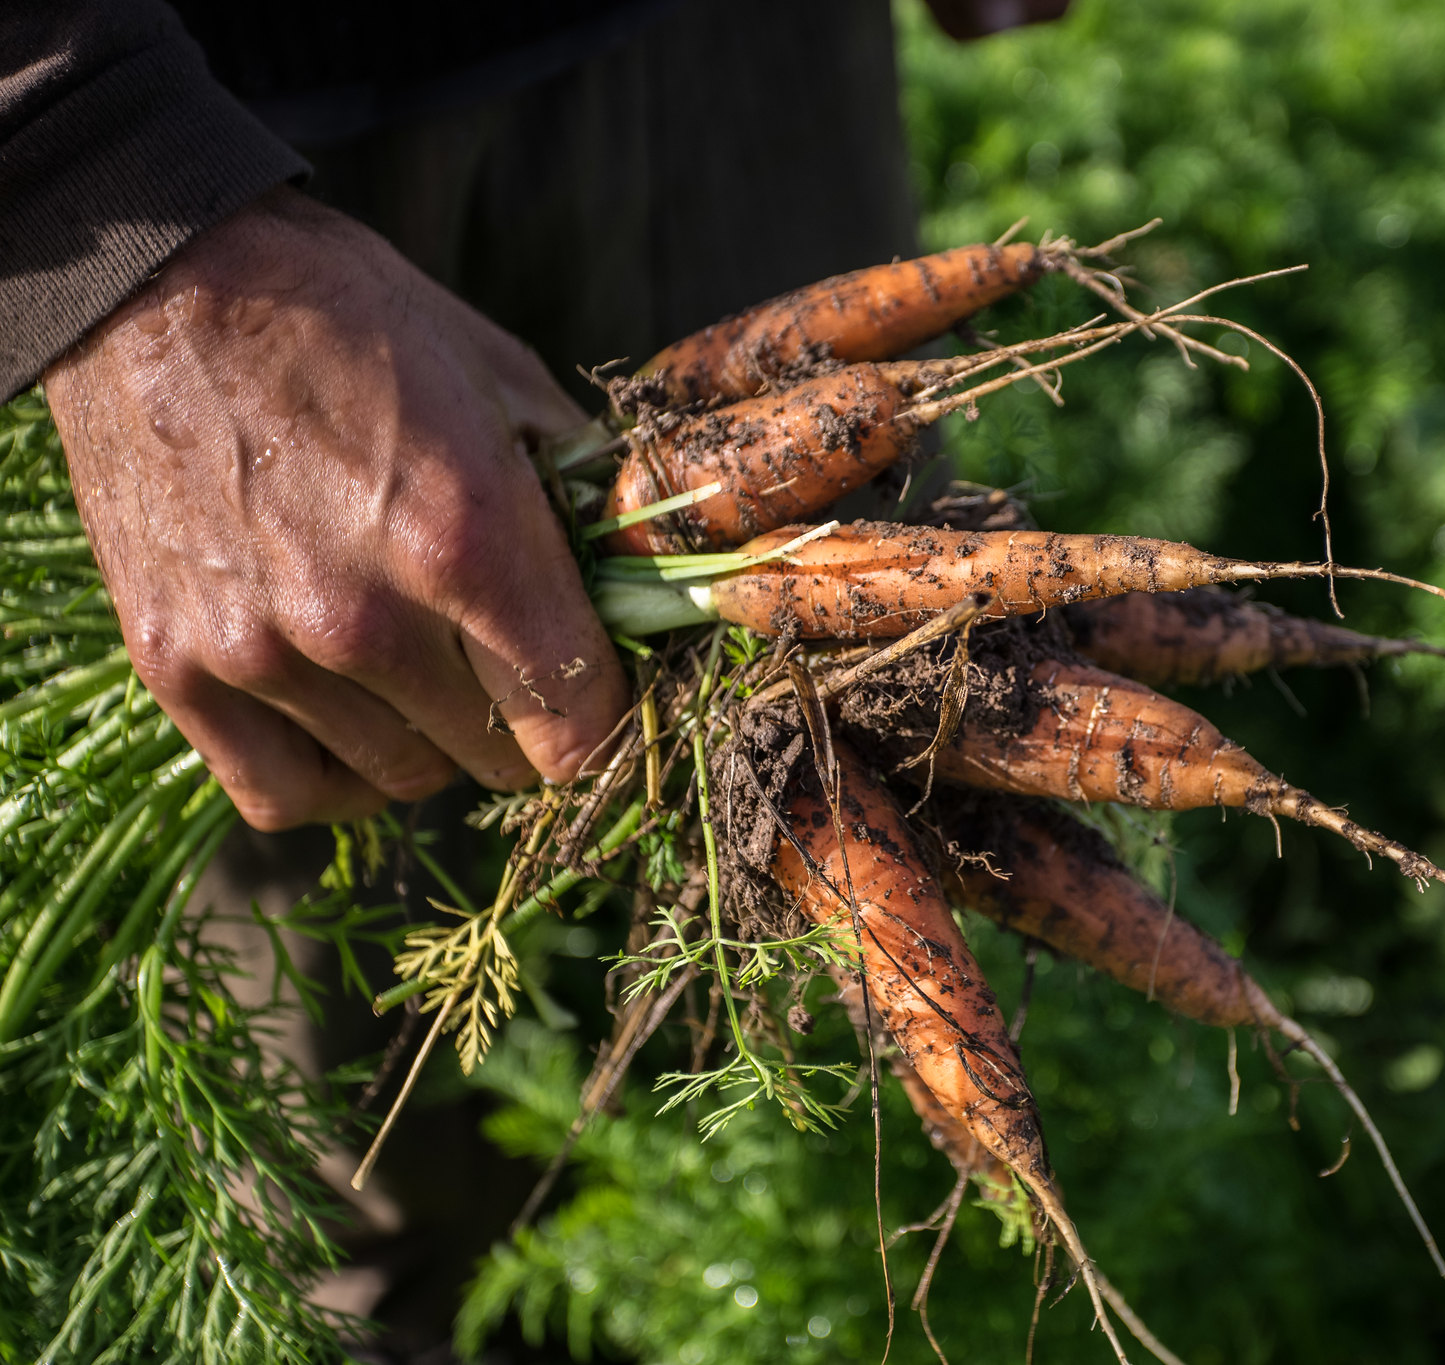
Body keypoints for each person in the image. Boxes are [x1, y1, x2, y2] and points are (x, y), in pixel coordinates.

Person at [3, 0, 1060, 1355]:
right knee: (375, 1165)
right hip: (224, 141)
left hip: (738, 50)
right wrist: (89, 186)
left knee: (888, 801)